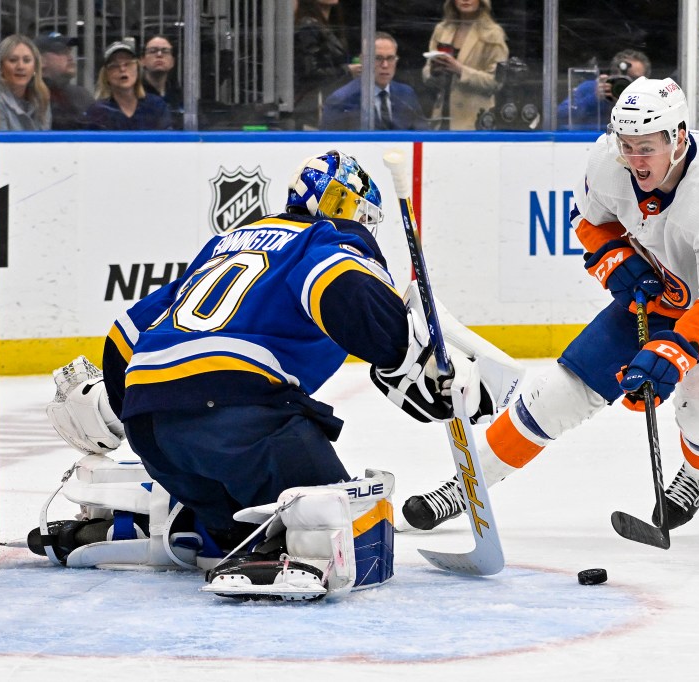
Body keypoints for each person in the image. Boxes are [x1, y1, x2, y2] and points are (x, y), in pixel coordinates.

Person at [30, 150, 521, 599]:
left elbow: (125, 332)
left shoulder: (223, 245)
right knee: (350, 527)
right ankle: (280, 551)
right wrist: (412, 360)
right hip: (243, 419)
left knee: (238, 522)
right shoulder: (324, 240)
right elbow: (348, 290)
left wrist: (134, 408)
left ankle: (156, 521)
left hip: (154, 430)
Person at [402, 77, 699, 536]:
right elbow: (589, 220)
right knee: (555, 394)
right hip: (663, 291)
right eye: (626, 145)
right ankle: (465, 488)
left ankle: (697, 476)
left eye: (645, 147)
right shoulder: (608, 159)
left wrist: (673, 350)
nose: (633, 159)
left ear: (679, 137)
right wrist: (614, 259)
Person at [422, 0, 509, 131]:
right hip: (441, 118)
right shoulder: (442, 29)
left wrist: (460, 71)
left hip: (474, 121)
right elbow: (426, 73)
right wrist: (434, 72)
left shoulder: (493, 33)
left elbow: (496, 82)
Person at [320, 31, 428, 131]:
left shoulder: (406, 94)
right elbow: (328, 146)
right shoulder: (341, 100)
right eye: (378, 58)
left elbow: (424, 137)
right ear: (363, 60)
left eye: (390, 58)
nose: (385, 65)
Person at [292, 0, 358, 130]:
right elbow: (310, 72)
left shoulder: (329, 25)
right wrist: (347, 70)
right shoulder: (308, 26)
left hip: (329, 102)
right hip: (313, 108)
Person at [84, 39, 172, 131]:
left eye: (128, 64)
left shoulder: (156, 106)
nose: (122, 69)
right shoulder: (98, 111)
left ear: (137, 69)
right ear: (106, 75)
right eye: (114, 65)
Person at [557, 49, 651, 132]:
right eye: (622, 78)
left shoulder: (651, 96)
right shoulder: (591, 88)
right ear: (613, 74)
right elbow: (561, 116)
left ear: (646, 80)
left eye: (634, 79)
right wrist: (594, 98)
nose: (626, 84)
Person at [0, 34, 51, 131]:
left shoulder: (41, 97)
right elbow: (0, 144)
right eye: (13, 60)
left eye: (27, 61)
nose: (20, 66)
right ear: (0, 66)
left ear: (35, 67)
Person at [37, 32, 94, 130]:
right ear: (41, 61)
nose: (70, 57)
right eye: (61, 52)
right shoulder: (30, 95)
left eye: (69, 51)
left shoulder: (81, 95)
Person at [140, 34, 182, 128]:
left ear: (173, 61)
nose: (159, 55)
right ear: (142, 60)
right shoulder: (133, 94)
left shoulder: (180, 96)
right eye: (153, 51)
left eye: (165, 51)